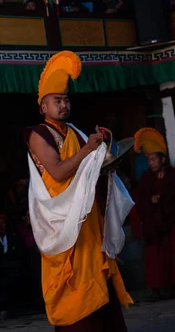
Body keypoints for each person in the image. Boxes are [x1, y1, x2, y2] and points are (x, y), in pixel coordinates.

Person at [26, 51, 133, 331]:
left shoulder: (75, 132)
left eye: (66, 100)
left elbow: (91, 172)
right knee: (73, 294)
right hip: (61, 226)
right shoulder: (39, 134)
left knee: (98, 287)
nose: (63, 106)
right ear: (43, 107)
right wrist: (88, 151)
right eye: (57, 101)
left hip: (86, 224)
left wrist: (104, 160)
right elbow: (59, 172)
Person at [132, 128, 175, 301]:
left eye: (153, 159)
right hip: (153, 227)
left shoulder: (172, 175)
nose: (151, 163)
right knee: (153, 259)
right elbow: (140, 199)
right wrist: (151, 200)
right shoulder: (146, 178)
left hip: (170, 224)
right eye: (149, 160)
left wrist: (163, 199)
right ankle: (155, 291)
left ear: (163, 159)